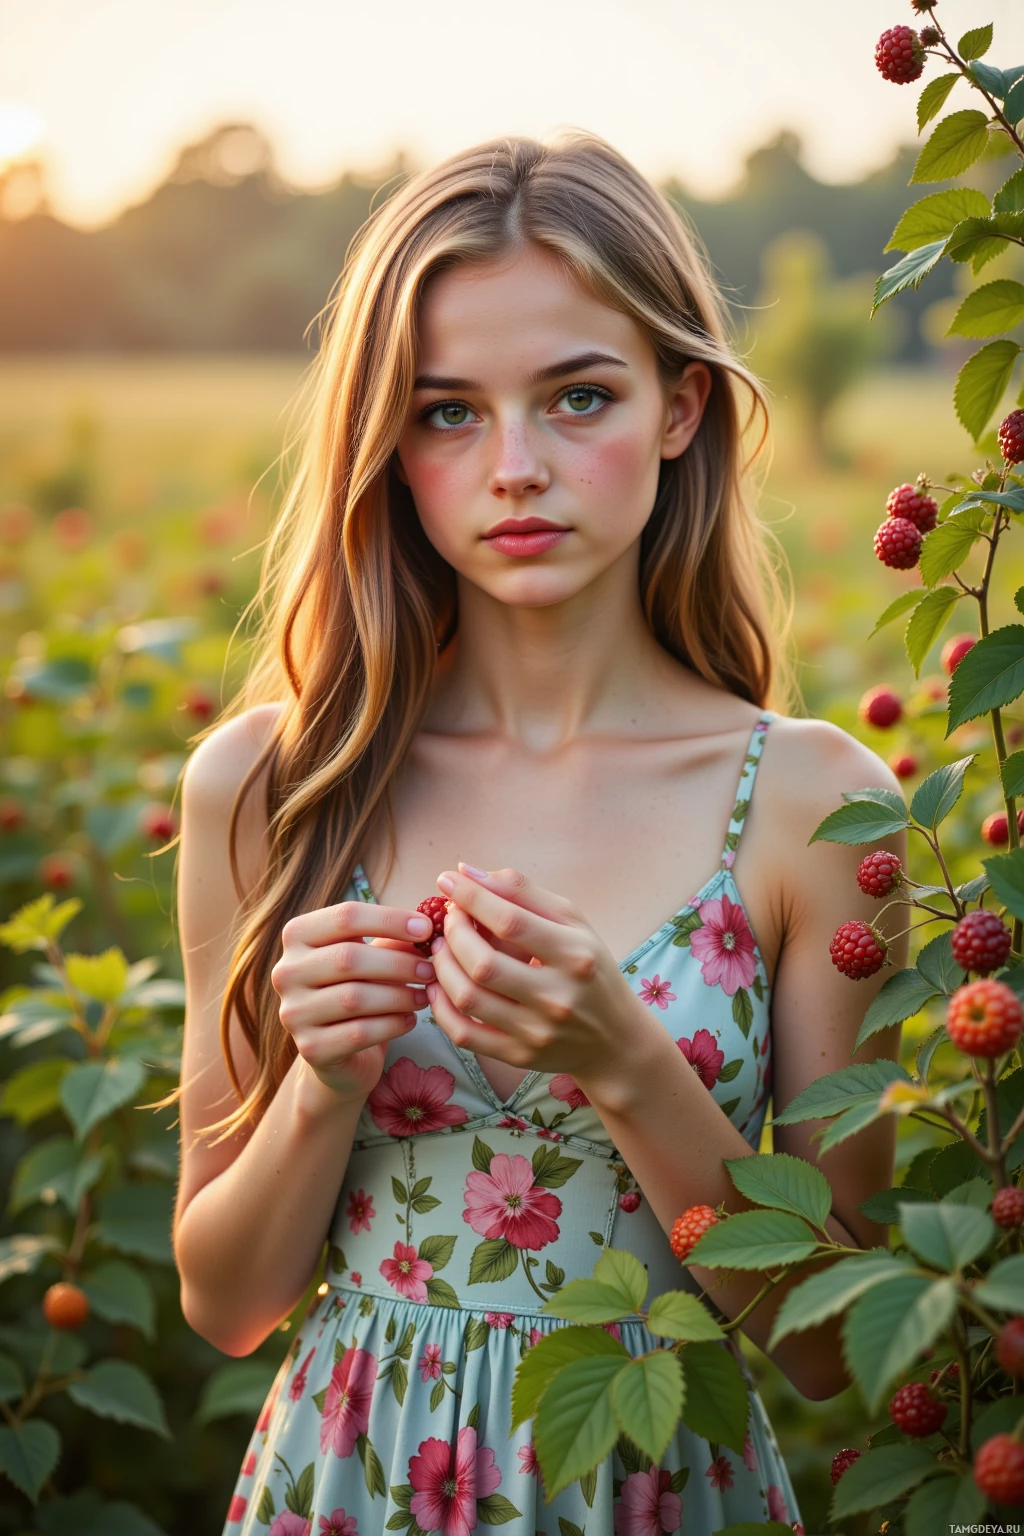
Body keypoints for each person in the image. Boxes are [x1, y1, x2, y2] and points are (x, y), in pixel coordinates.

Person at [172, 133, 906, 1536]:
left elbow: (825, 1349)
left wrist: (626, 1059)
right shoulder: (276, 782)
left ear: (682, 407)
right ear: (387, 440)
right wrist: (322, 1085)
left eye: (578, 398)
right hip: (351, 1481)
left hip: (659, 1482)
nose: (516, 468)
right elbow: (226, 1300)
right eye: (448, 413)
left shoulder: (810, 803)